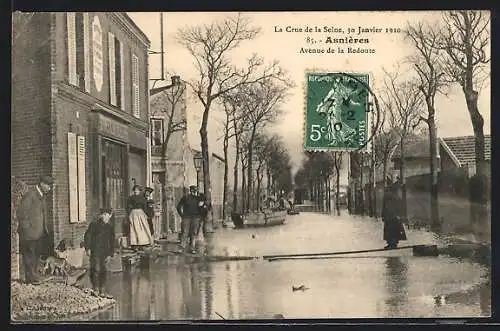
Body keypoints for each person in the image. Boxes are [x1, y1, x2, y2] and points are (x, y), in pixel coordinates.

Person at [16, 175, 53, 285]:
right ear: (42, 184)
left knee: (36, 256)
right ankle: (30, 279)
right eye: (48, 186)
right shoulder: (30, 195)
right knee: (29, 256)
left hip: (39, 233)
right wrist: (27, 229)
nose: (49, 188)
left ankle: (34, 277)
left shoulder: (42, 196)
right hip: (29, 234)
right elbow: (21, 214)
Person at [84, 208, 115, 298]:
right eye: (104, 215)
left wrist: (110, 254)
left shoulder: (110, 227)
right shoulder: (94, 225)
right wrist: (88, 248)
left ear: (110, 216)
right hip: (95, 250)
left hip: (105, 252)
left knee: (103, 270)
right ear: (101, 215)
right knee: (95, 269)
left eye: (107, 215)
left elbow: (112, 241)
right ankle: (95, 288)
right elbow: (88, 236)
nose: (105, 217)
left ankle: (102, 290)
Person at [176, 185, 202, 253]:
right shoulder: (185, 197)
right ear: (190, 191)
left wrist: (200, 217)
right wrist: (182, 215)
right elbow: (179, 206)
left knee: (194, 233)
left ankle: (192, 248)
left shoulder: (198, 199)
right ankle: (182, 247)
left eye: (195, 191)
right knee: (185, 232)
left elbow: (202, 209)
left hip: (195, 218)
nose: (194, 192)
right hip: (186, 218)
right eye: (193, 190)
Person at [126, 185, 153, 250]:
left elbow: (145, 207)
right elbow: (128, 206)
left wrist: (146, 214)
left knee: (142, 227)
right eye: (135, 190)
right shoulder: (130, 198)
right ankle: (135, 244)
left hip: (141, 213)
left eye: (137, 190)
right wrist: (129, 213)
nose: (136, 191)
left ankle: (143, 243)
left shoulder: (142, 198)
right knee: (134, 228)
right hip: (133, 213)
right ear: (133, 190)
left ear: (140, 191)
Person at [382, 183, 407, 249]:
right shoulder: (396, 197)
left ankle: (391, 244)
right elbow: (399, 207)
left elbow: (384, 207)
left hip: (389, 216)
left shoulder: (387, 196)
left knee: (389, 231)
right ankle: (393, 244)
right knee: (394, 231)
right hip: (394, 217)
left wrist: (383, 216)